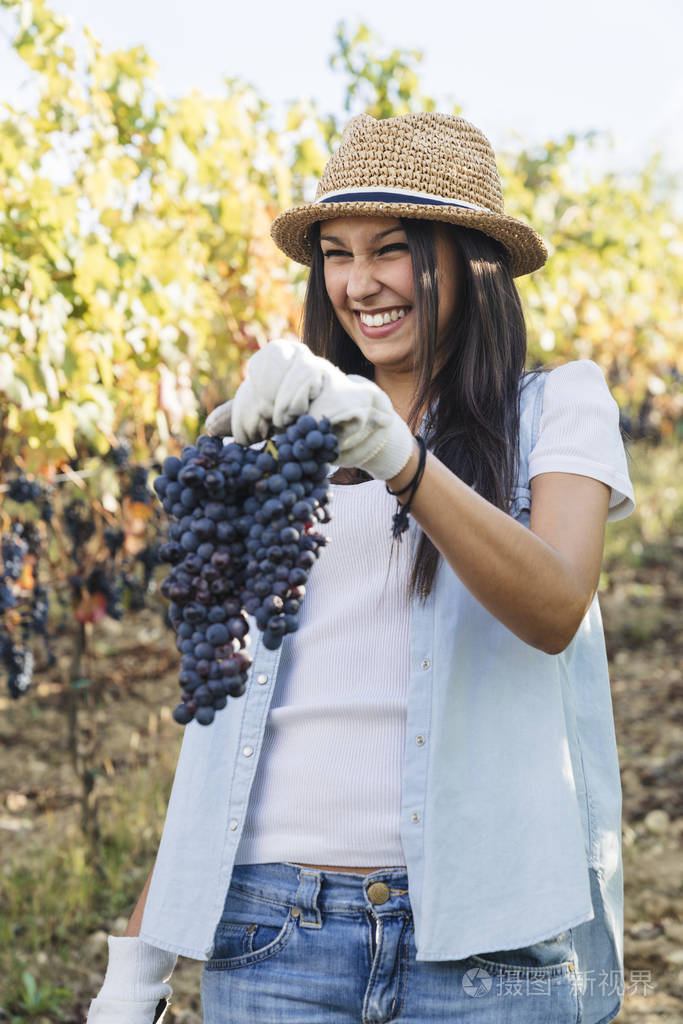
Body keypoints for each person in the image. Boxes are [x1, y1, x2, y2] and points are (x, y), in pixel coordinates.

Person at [86, 112, 635, 1024]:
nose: (360, 282)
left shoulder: (553, 407)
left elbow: (554, 607)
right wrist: (137, 966)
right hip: (272, 934)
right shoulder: (287, 443)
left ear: (472, 261)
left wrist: (400, 460)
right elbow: (226, 729)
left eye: (391, 250)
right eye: (336, 255)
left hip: (488, 939)